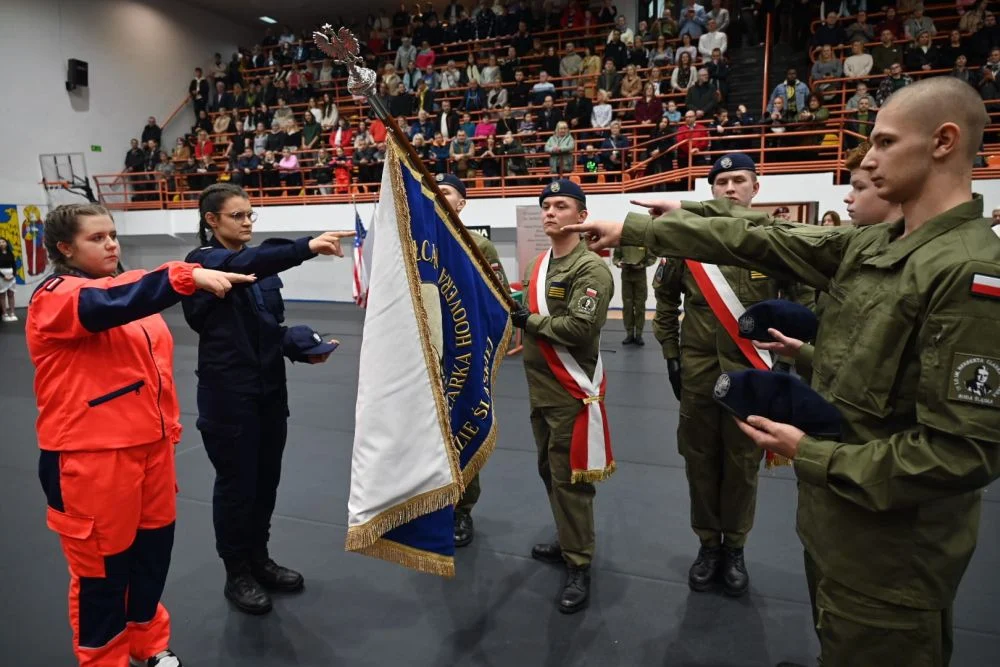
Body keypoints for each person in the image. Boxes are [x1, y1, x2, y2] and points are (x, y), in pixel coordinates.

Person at [567, 77, 1000, 666]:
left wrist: (810, 454)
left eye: (884, 141)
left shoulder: (968, 272)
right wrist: (654, 224)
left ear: (944, 141)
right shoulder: (878, 244)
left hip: (892, 552)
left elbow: (961, 454)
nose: (868, 158)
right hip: (838, 521)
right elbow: (763, 236)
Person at [27, 203, 254, 667]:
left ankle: (147, 643)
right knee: (102, 572)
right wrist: (179, 276)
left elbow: (133, 314)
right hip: (89, 460)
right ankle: (103, 660)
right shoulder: (55, 297)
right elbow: (107, 304)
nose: (111, 243)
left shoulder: (125, 291)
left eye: (113, 234)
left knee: (151, 558)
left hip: (150, 451)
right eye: (97, 238)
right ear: (65, 248)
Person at [182, 184, 354, 616]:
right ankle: (236, 571)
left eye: (250, 215)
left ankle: (259, 558)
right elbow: (247, 262)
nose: (246, 222)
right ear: (211, 221)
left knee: (264, 483)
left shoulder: (263, 271)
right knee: (237, 487)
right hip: (228, 397)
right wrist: (307, 247)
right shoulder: (201, 264)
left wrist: (299, 344)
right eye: (237, 216)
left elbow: (266, 329)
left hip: (269, 392)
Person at [649, 153, 813, 598]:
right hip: (699, 374)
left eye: (739, 180)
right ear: (711, 190)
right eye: (721, 181)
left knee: (742, 465)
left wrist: (791, 356)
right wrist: (670, 353)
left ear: (755, 188)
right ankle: (707, 544)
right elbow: (664, 300)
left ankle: (735, 547)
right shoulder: (687, 241)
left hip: (754, 375)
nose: (730, 188)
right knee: (700, 460)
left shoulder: (773, 240)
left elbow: (802, 301)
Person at [508, 179, 614, 614]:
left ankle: (579, 562)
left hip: (571, 391)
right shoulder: (539, 264)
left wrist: (528, 320)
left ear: (581, 217)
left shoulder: (591, 270)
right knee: (549, 472)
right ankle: (568, 537)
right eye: (546, 206)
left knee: (571, 480)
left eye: (561, 206)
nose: (550, 212)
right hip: (540, 389)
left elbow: (577, 328)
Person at [435, 173, 510, 548]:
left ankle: (462, 509)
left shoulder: (479, 247)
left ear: (461, 202)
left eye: (445, 191)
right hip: (428, 356)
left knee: (465, 425)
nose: (438, 196)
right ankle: (433, 500)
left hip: (464, 355)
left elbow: (499, 302)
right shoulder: (419, 245)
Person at [612, 242, 656, 345]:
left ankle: (639, 335)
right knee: (627, 307)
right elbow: (616, 257)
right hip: (626, 276)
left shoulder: (644, 241)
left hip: (640, 277)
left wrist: (643, 265)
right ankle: (629, 334)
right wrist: (618, 263)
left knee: (640, 306)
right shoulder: (622, 242)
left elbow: (652, 258)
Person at [0, 237, 15, 321]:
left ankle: (12, 313)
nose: (2, 243)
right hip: (2, 276)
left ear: (6, 243)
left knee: (11, 294)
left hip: (11, 275)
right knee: (2, 295)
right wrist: (3, 276)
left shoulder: (10, 253)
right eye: (0, 242)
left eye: (3, 242)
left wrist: (13, 274)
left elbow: (14, 265)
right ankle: (4, 314)